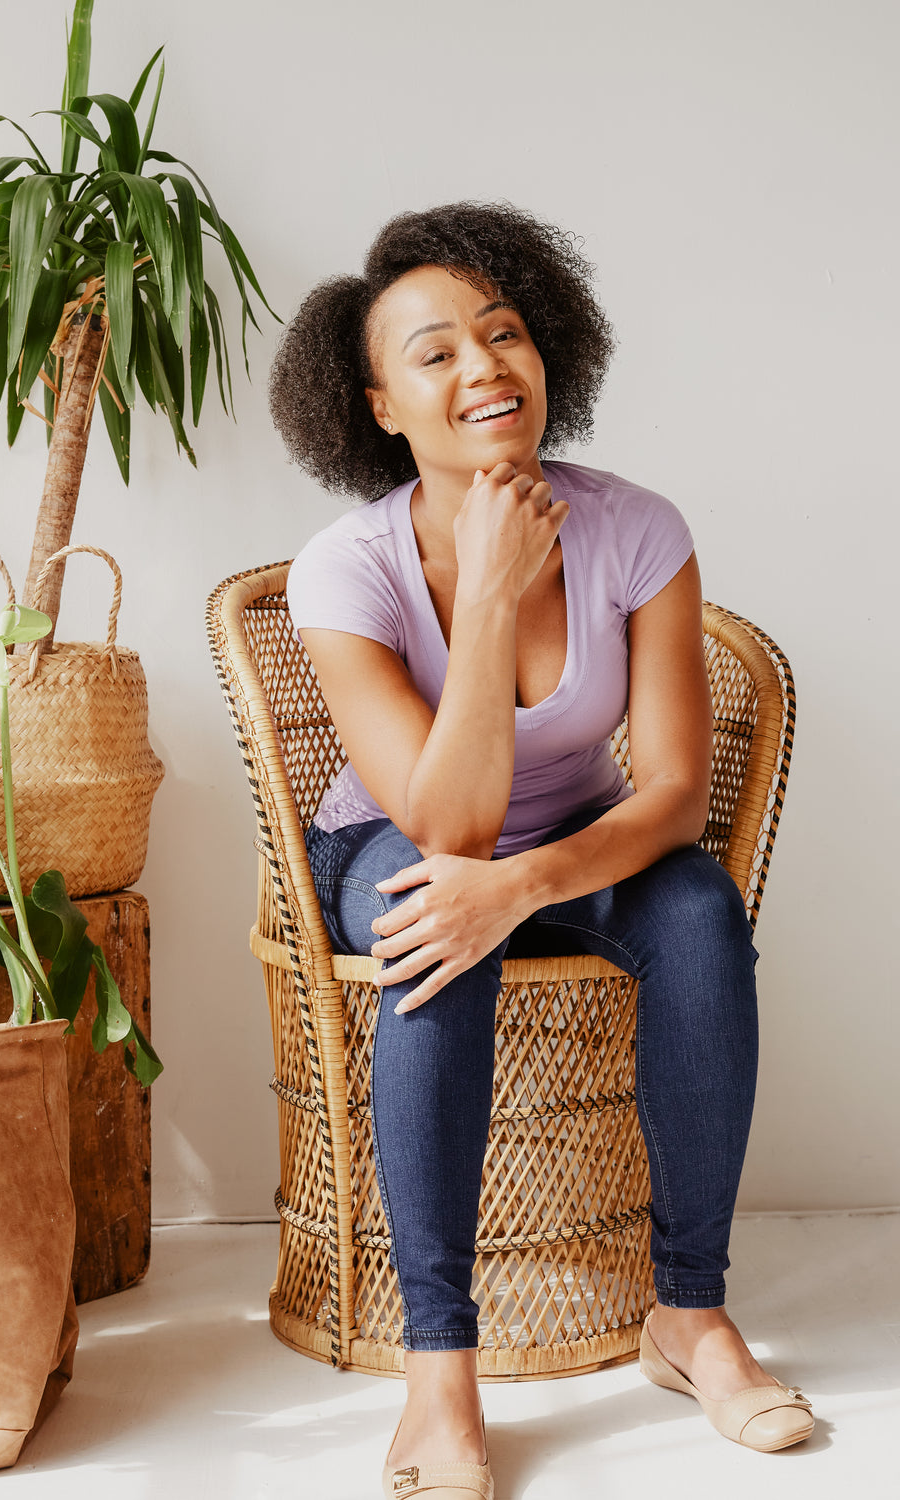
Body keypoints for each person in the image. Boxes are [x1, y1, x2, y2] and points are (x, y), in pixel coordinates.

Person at [268, 202, 813, 1498]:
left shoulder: (635, 527)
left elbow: (675, 792)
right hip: (388, 835)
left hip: (572, 835)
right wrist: (497, 581)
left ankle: (689, 1315)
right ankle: (439, 1372)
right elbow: (445, 822)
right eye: (436, 353)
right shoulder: (343, 569)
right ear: (382, 407)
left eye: (503, 333)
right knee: (426, 917)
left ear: (549, 346)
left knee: (693, 908)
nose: (484, 368)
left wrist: (518, 885)